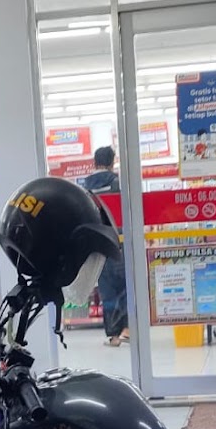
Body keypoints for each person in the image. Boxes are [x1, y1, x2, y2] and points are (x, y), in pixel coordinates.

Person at [81, 146, 127, 345]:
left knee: (107, 291)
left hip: (99, 246)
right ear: (111, 162)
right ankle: (127, 330)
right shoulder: (117, 183)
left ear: (95, 162)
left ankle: (113, 335)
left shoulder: (85, 187)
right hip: (119, 242)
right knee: (125, 287)